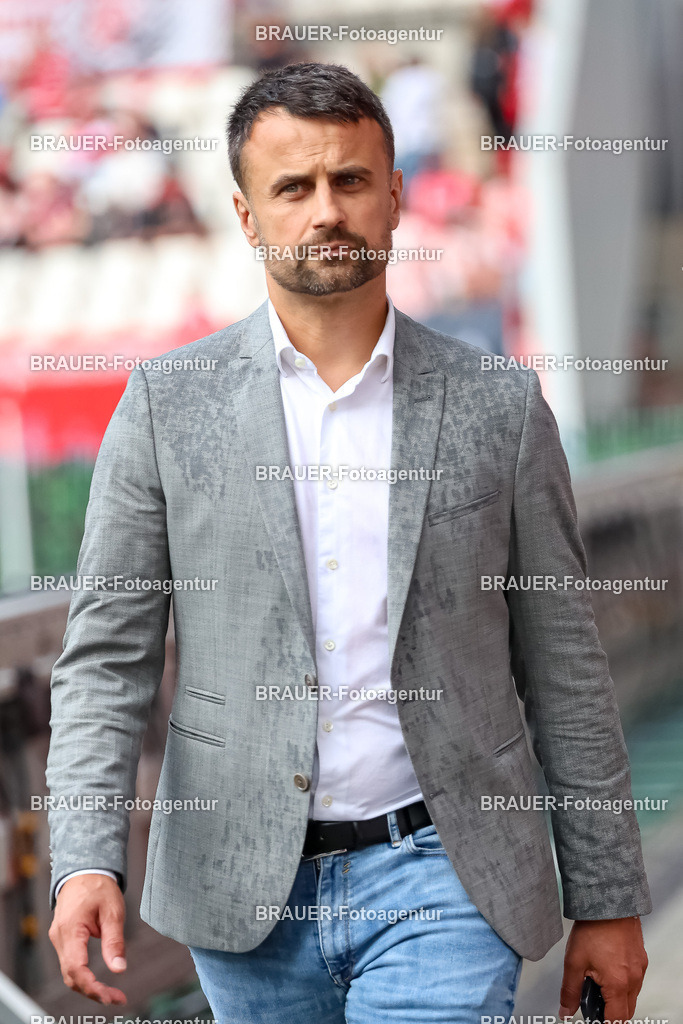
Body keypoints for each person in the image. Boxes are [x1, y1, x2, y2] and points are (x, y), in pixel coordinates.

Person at [46, 62, 650, 1024]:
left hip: (448, 878)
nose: (325, 210)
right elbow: (104, 661)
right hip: (240, 893)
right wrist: (82, 854)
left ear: (395, 197)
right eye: (293, 187)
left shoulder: (498, 407)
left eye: (350, 181)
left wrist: (609, 899)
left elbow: (565, 667)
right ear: (246, 217)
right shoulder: (167, 407)